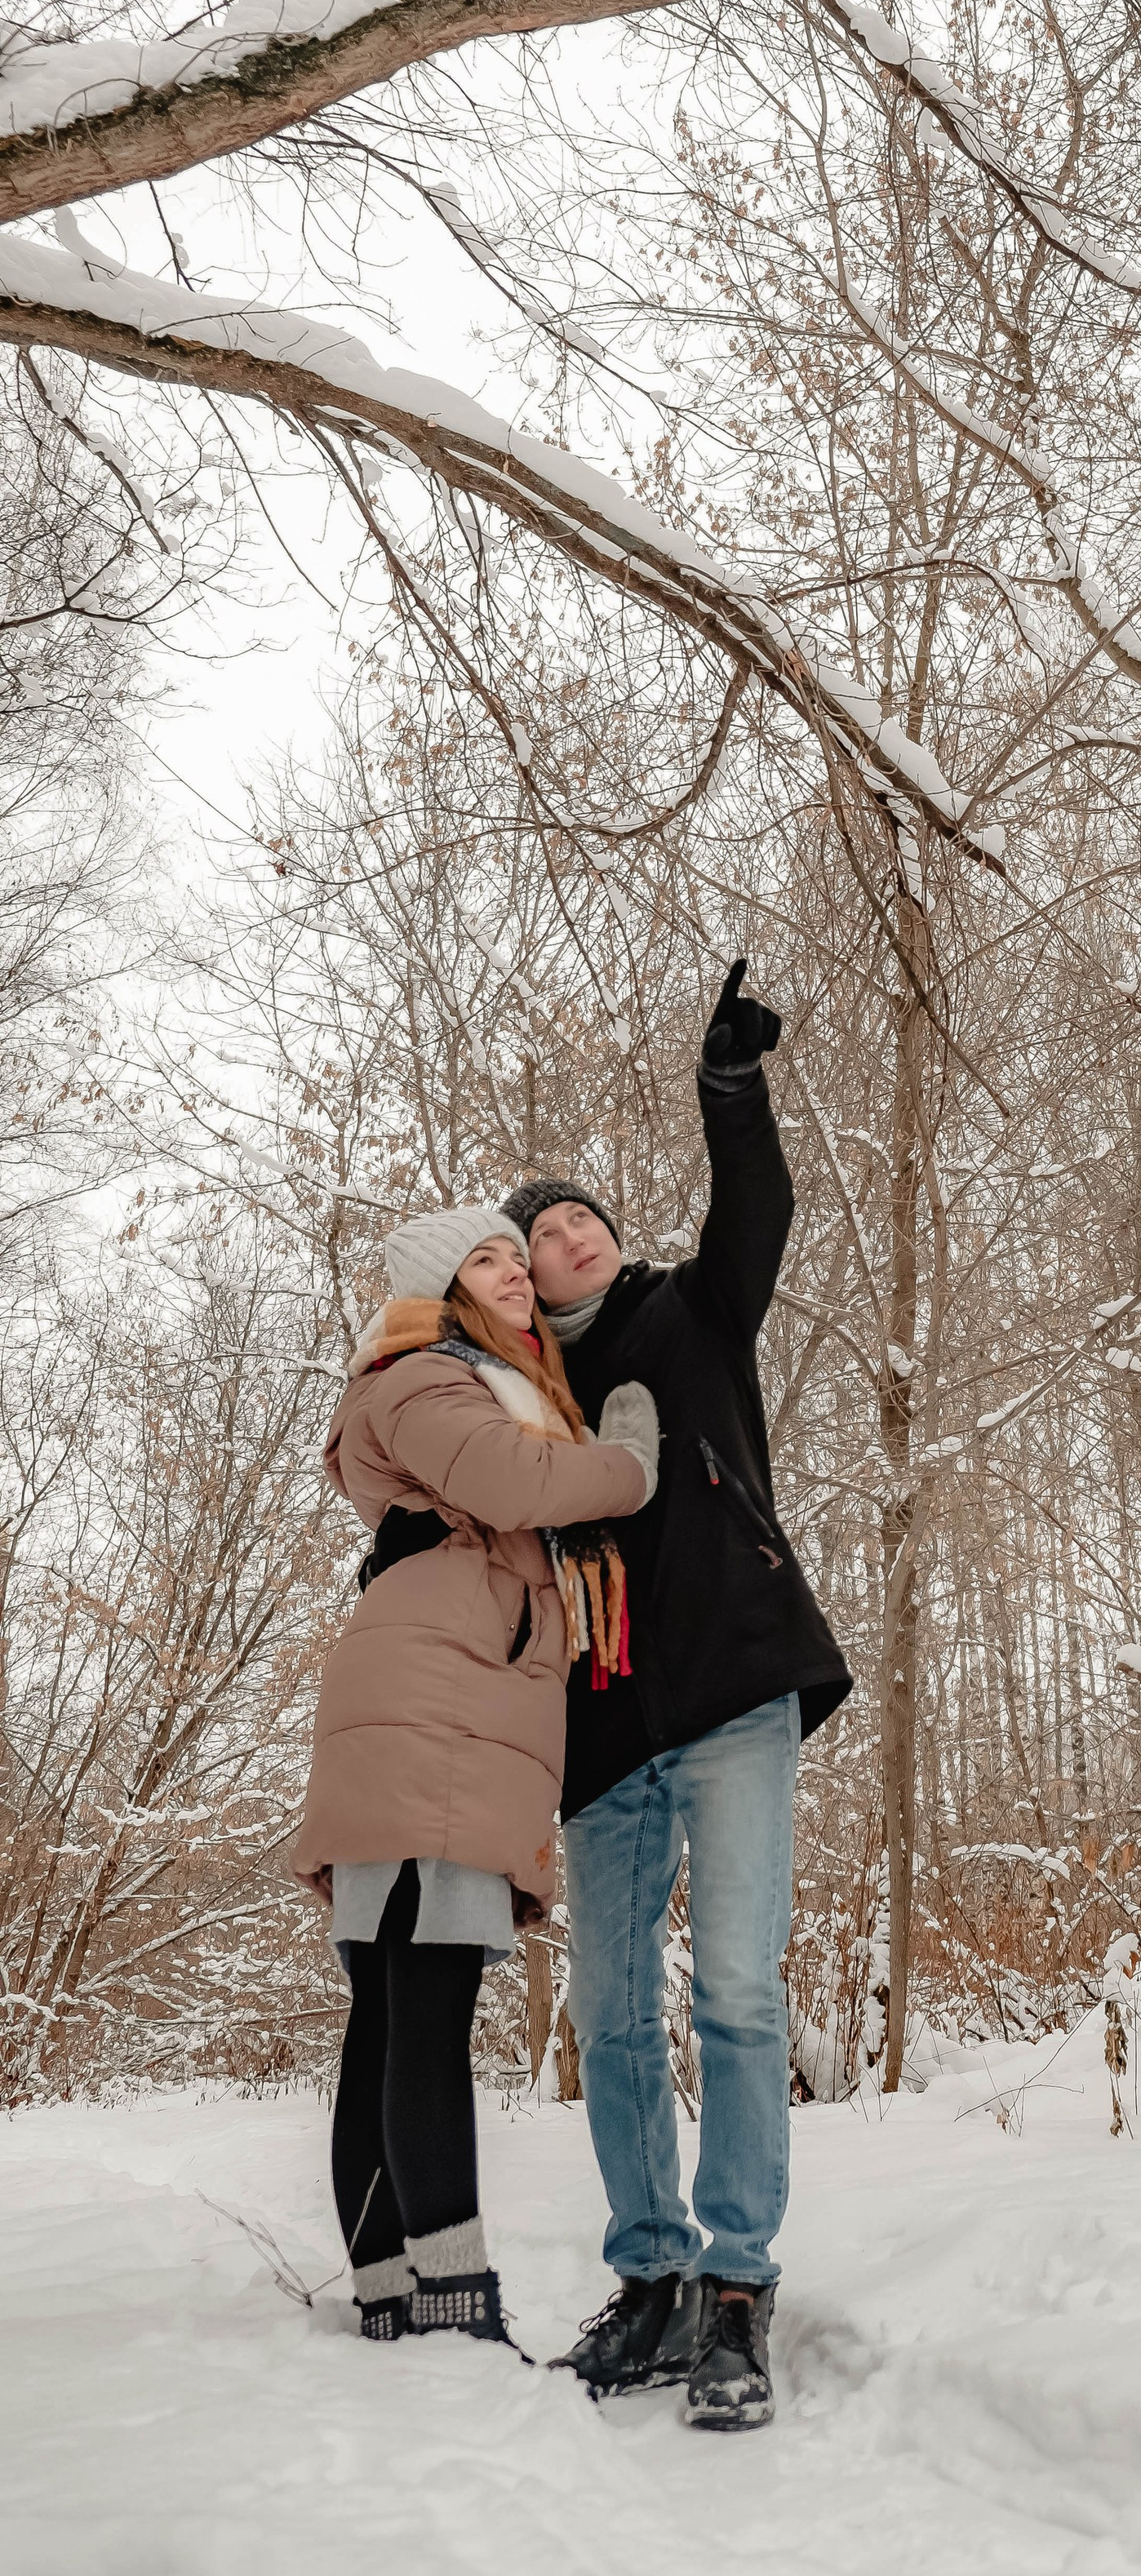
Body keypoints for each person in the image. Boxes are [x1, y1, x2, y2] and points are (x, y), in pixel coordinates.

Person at [504, 960, 850, 2430]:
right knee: (613, 2016)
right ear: (521, 1275)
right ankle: (650, 2276)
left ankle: (737, 2288)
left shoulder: (690, 1316)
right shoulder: (515, 1394)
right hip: (601, 1730)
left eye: (585, 1217)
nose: (574, 1232)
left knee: (734, 1995)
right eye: (545, 1230)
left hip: (729, 1694)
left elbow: (754, 1214)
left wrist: (731, 1088)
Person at [294, 1206, 659, 2351]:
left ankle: (390, 2290)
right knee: (424, 2008)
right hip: (430, 1720)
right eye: (486, 1258)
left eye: (518, 1256)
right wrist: (631, 1465)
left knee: (396, 2011)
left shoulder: (457, 1380)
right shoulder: (425, 1377)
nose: (512, 1271)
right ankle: (450, 2304)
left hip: (438, 1712)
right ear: (440, 1290)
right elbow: (514, 1483)